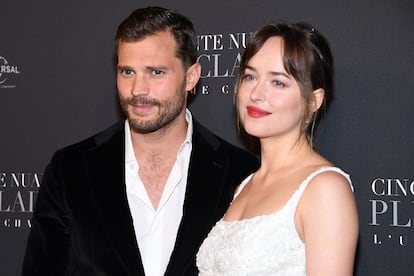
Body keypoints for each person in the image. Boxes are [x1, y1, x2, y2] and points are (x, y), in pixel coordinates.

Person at [22, 6, 259, 276]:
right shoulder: (70, 170)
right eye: (127, 72)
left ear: (191, 77)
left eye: (156, 72)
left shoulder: (241, 172)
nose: (137, 89)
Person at [197, 22, 359, 275]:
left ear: (314, 100)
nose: (256, 93)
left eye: (278, 82)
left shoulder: (325, 188)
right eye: (250, 77)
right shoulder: (245, 185)